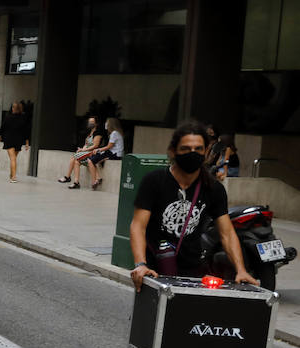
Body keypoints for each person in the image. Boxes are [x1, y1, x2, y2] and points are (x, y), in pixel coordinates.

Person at [129, 121, 258, 290]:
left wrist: (241, 270)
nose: (192, 153)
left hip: (192, 271)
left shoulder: (213, 188)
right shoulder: (154, 181)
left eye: (198, 149)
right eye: (185, 149)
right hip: (153, 271)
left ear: (206, 152)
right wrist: (140, 263)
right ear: (173, 151)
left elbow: (226, 233)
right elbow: (138, 226)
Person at [61, 116, 108, 190]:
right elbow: (86, 144)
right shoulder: (90, 133)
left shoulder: (98, 133)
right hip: (86, 152)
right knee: (77, 162)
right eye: (89, 122)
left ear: (96, 123)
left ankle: (67, 177)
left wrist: (83, 151)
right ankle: (76, 182)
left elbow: (95, 145)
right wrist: (81, 149)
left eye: (92, 122)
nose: (90, 123)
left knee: (75, 156)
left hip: (92, 152)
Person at [1, 101, 29, 182]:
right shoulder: (23, 118)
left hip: (9, 139)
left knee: (13, 158)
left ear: (13, 108)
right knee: (14, 158)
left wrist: (0, 136)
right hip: (18, 140)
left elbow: (3, 127)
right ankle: (11, 174)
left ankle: (13, 177)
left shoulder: (8, 117)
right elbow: (26, 131)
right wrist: (27, 143)